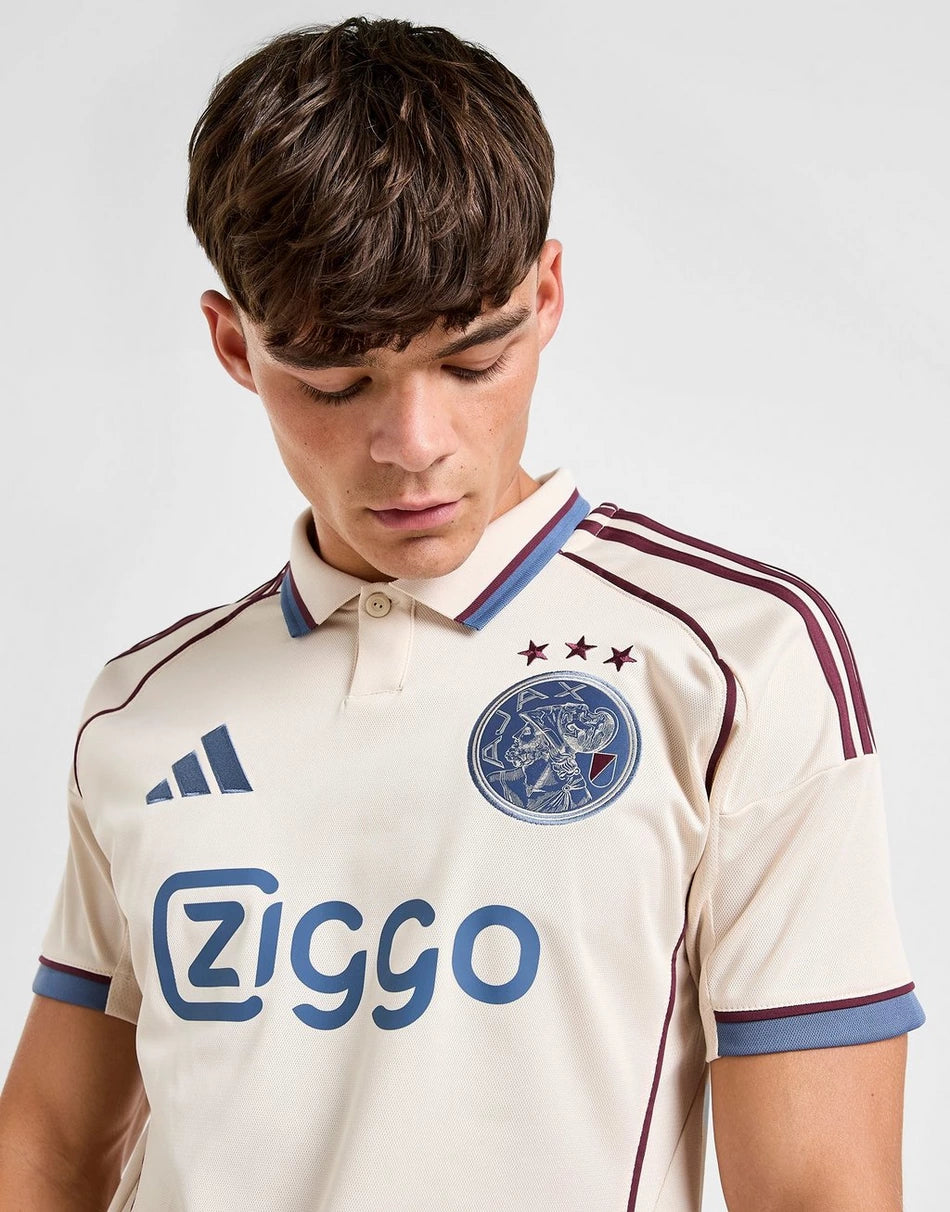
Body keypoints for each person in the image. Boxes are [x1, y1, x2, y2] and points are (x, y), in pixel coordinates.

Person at [0, 15, 924, 1211]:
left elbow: (816, 1191)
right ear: (234, 345)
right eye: (337, 384)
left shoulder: (733, 663)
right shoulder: (144, 707)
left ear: (545, 297)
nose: (413, 444)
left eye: (473, 362)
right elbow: (50, 1147)